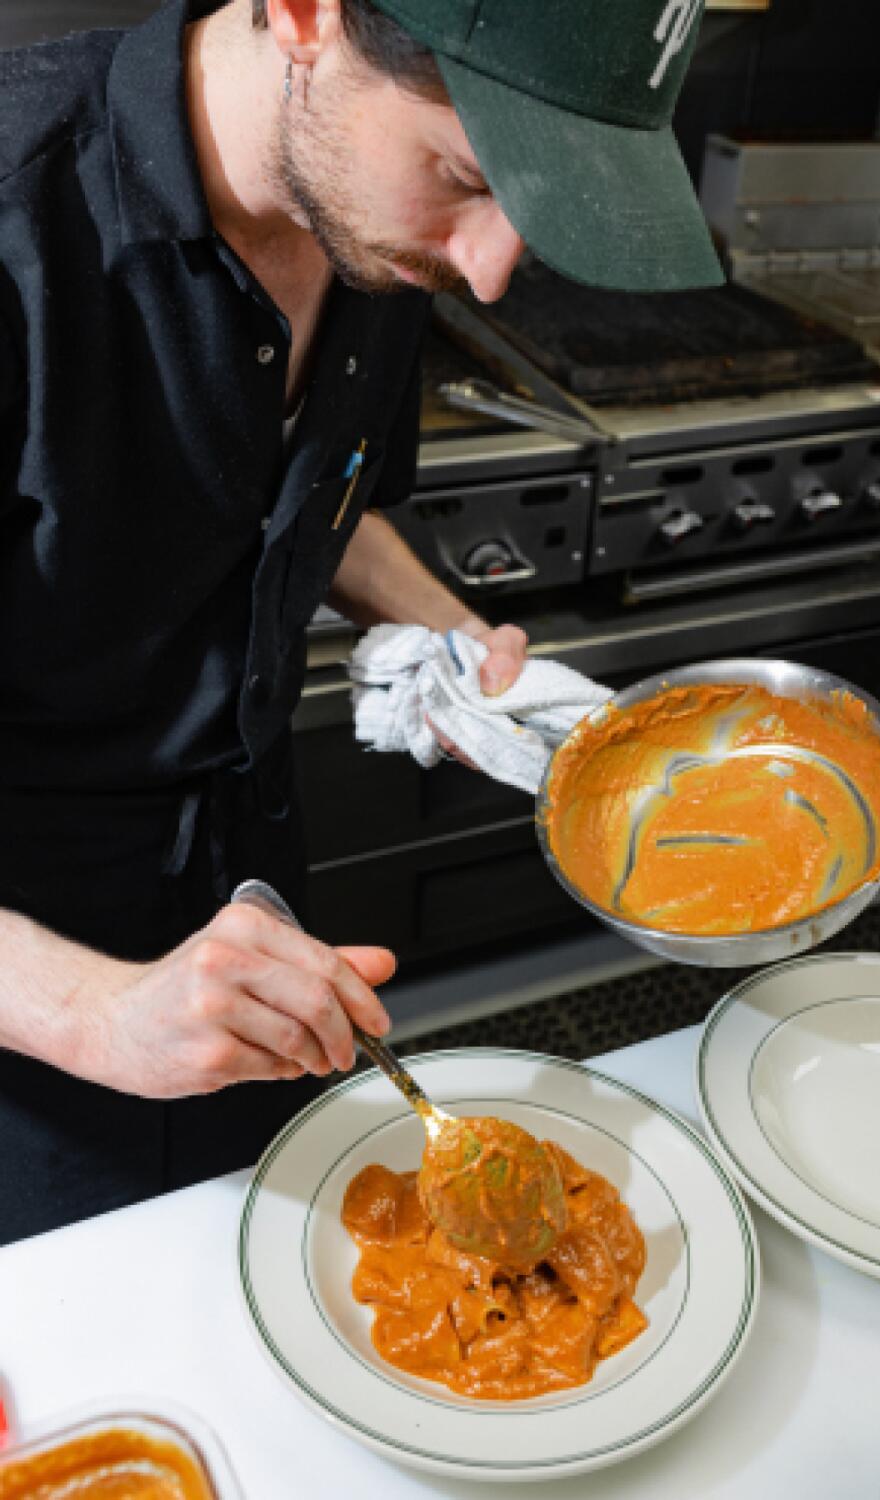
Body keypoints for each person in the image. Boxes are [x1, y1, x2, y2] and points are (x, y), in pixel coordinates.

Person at [0, 0, 723, 1245]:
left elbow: (299, 501)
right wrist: (96, 1016)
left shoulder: (369, 230)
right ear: (302, 15)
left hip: (255, 888)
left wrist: (456, 638)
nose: (491, 267)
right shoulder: (21, 226)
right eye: (461, 175)